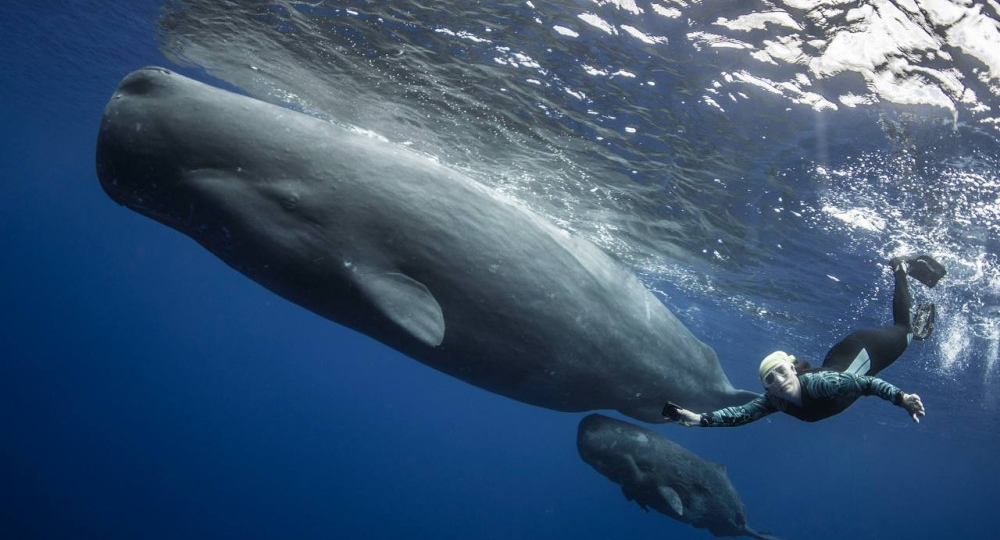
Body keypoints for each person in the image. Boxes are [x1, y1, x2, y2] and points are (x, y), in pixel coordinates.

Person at [663, 255, 946, 427]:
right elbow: (740, 414)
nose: (777, 380)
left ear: (793, 369)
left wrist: (903, 399)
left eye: (781, 371)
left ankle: (900, 267)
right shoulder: (777, 401)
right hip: (841, 357)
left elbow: (866, 384)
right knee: (905, 335)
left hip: (865, 351)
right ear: (767, 388)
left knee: (905, 332)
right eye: (769, 380)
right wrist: (698, 419)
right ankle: (912, 322)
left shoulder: (820, 385)